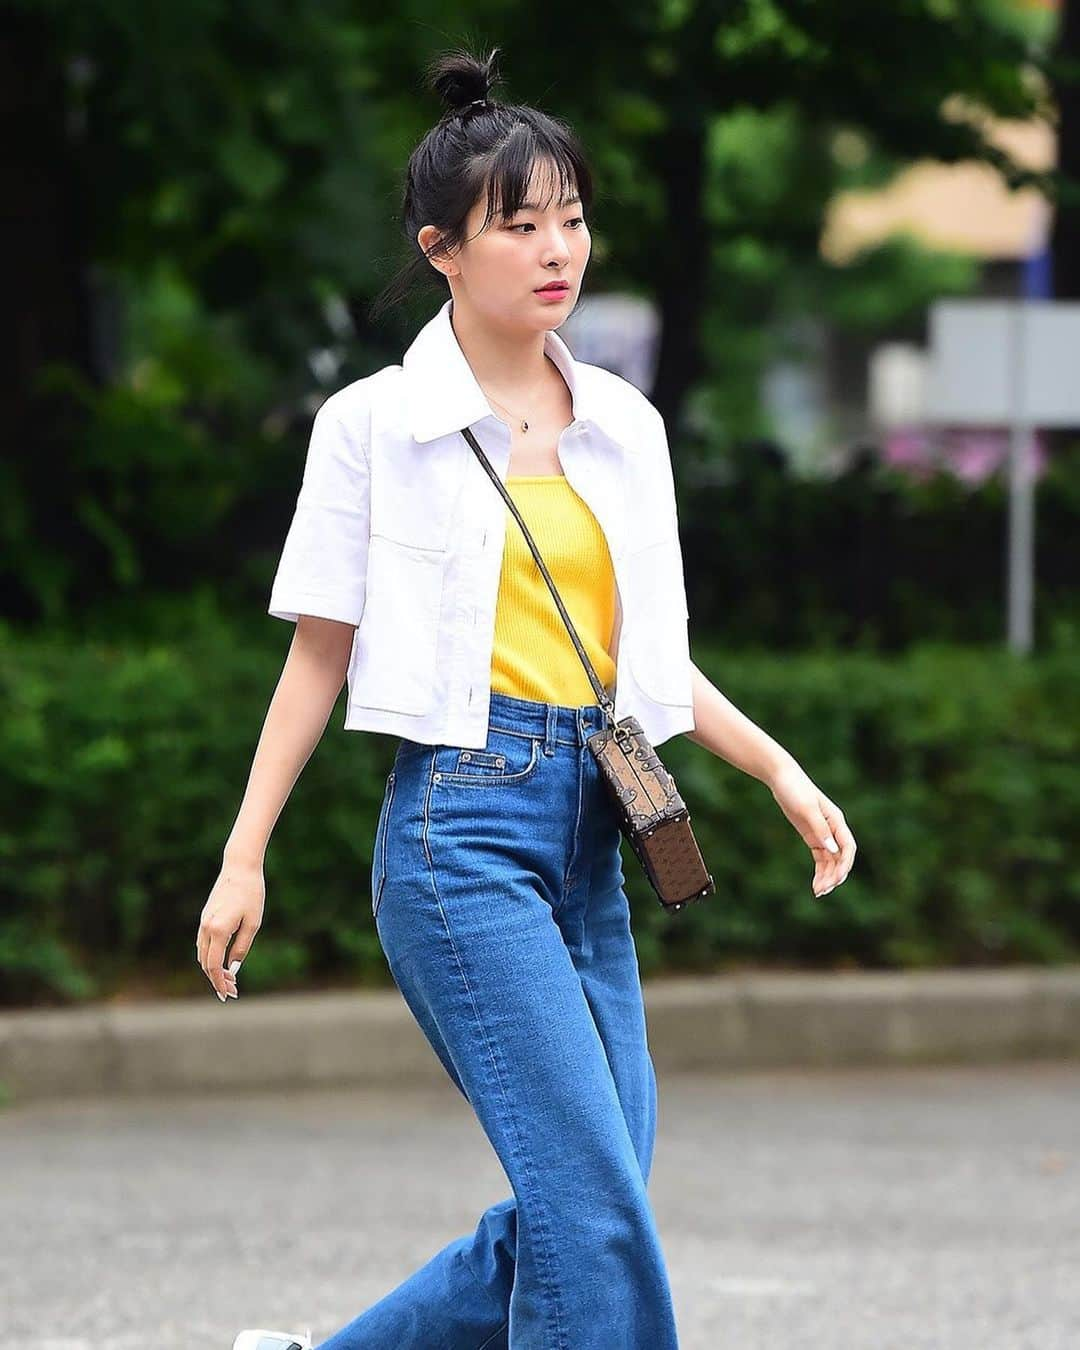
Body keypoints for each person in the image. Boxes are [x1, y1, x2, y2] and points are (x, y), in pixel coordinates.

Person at [206, 44, 856, 1350]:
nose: (560, 248)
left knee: (586, 1200)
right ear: (443, 247)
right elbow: (319, 653)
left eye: (572, 217)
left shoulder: (625, 425)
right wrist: (244, 854)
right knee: (593, 1208)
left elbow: (647, 661)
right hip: (463, 837)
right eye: (522, 225)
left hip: (593, 841)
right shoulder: (374, 426)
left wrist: (777, 770)